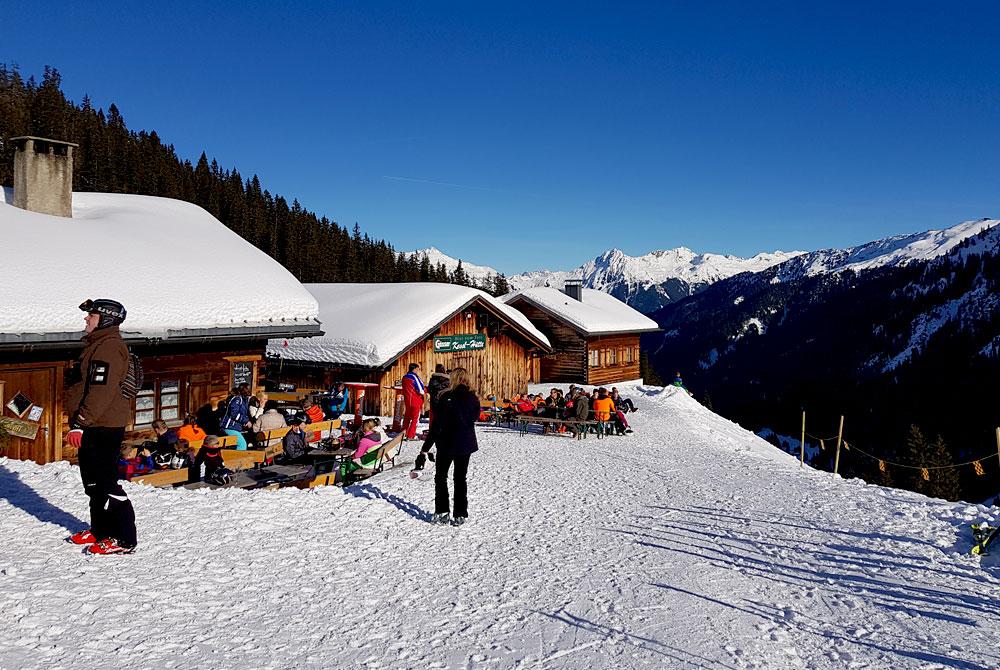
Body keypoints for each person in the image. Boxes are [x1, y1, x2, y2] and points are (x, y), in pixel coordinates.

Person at [65, 298, 138, 555]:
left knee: (107, 483)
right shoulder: (98, 345)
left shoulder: (108, 348)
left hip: (102, 426)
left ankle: (124, 538)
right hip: (94, 424)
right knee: (93, 484)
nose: (86, 319)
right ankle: (100, 531)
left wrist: (80, 423)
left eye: (92, 315)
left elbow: (101, 391)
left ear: (106, 319)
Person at [418, 367, 479, 526]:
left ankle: (442, 511)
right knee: (460, 478)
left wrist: (425, 449)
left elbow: (437, 425)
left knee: (441, 477)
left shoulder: (445, 397)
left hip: (446, 443)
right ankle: (460, 514)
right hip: (465, 443)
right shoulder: (473, 398)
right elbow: (474, 417)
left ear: (453, 379)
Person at [220, 384, 252, 450]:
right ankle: (238, 460)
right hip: (229, 426)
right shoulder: (237, 399)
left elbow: (242, 414)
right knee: (242, 445)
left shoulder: (243, 400)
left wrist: (244, 422)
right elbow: (234, 413)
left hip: (235, 427)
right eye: (248, 389)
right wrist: (246, 421)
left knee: (237, 445)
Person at [401, 362, 427, 440]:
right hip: (416, 400)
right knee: (415, 419)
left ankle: (403, 434)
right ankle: (410, 435)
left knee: (407, 418)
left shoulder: (404, 377)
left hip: (408, 400)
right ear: (414, 369)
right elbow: (420, 389)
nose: (418, 371)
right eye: (418, 369)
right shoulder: (414, 377)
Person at [426, 364, 451, 428]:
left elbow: (429, 389)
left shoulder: (433, 379)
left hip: (435, 401)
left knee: (436, 418)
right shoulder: (448, 379)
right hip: (445, 400)